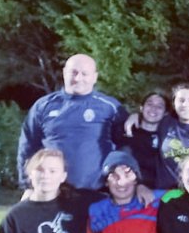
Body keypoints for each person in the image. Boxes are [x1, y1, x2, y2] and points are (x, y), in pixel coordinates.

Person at [17, 54, 127, 192]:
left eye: (84, 74)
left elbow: (127, 145)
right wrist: (27, 185)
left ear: (94, 77)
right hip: (53, 192)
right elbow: (27, 146)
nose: (78, 78)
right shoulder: (43, 106)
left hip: (97, 192)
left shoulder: (111, 107)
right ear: (64, 73)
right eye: (73, 72)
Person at [119, 92, 169, 186]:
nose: (153, 109)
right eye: (149, 104)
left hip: (157, 192)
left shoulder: (168, 139)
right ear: (141, 108)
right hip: (125, 188)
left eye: (159, 106)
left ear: (165, 113)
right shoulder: (124, 130)